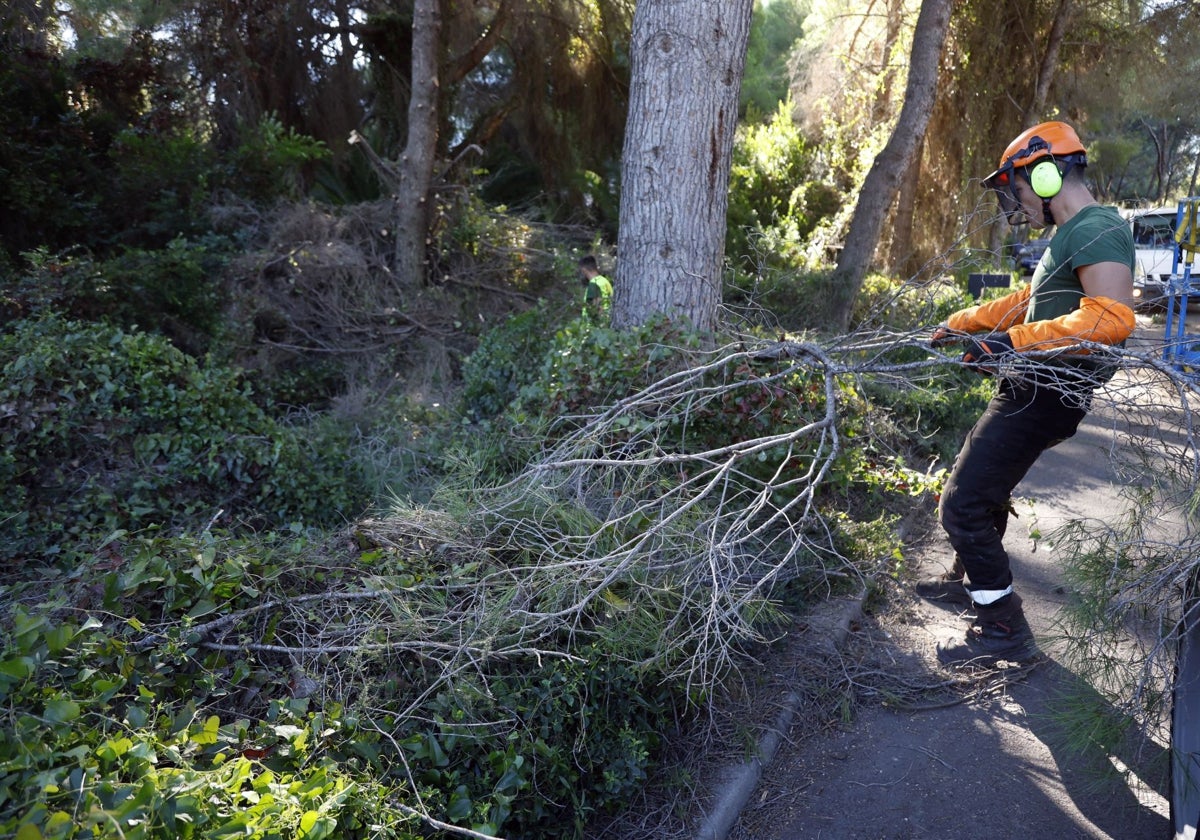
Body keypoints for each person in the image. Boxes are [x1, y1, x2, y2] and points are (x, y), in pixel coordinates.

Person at [918, 120, 1136, 666]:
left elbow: (1109, 318)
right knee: (977, 489)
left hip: (1045, 395)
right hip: (1031, 385)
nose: (1014, 203)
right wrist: (965, 323)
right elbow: (1032, 300)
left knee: (962, 503)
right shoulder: (1071, 235)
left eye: (1013, 187)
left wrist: (1010, 344)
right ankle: (970, 583)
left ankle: (1002, 627)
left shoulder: (1095, 228)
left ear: (1043, 173)